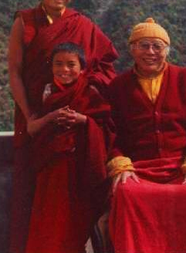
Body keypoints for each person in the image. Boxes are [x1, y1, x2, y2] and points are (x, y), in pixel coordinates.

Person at [8, 0, 118, 253]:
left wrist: (83, 90)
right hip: (37, 121)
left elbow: (106, 67)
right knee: (33, 199)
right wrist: (31, 117)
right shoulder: (26, 22)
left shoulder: (82, 24)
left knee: (76, 204)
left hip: (76, 124)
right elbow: (15, 73)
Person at [107, 18, 186, 253]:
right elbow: (109, 132)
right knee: (126, 192)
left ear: (167, 50)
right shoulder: (118, 86)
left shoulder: (184, 78)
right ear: (132, 49)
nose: (151, 52)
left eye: (157, 46)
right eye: (143, 45)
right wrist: (121, 166)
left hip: (179, 166)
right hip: (139, 169)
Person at [23, 42, 113, 253]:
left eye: (71, 64)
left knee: (75, 221)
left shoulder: (90, 91)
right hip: (50, 166)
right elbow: (32, 128)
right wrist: (52, 116)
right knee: (51, 220)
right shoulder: (45, 92)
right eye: (58, 64)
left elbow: (107, 127)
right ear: (51, 67)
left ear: (82, 68)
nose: (64, 70)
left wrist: (83, 120)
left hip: (79, 167)